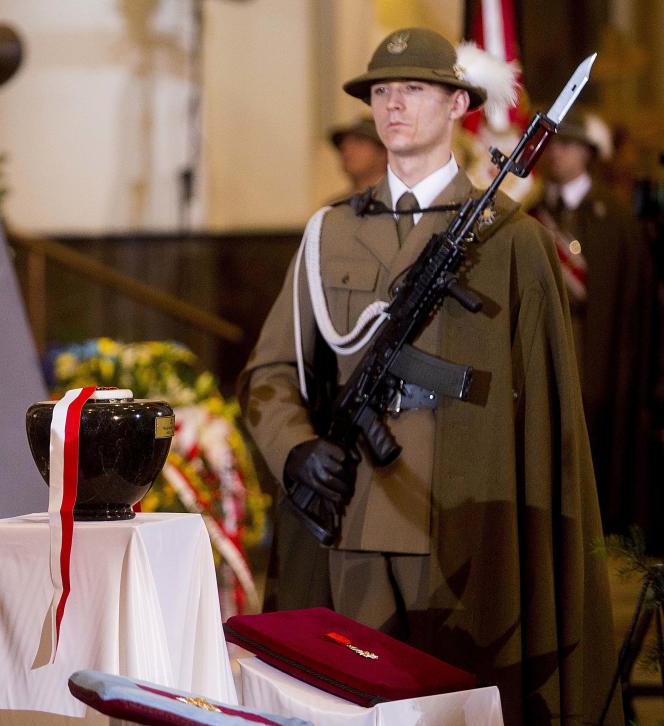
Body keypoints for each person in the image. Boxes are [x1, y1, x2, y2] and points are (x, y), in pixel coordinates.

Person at [239, 27, 622, 725]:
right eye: (381, 92)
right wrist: (295, 448)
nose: (392, 106)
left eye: (413, 90)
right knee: (346, 712)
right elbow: (270, 371)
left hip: (465, 543)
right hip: (348, 529)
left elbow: (547, 417)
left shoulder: (512, 242)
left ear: (456, 105)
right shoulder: (330, 233)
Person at [530, 109, 658, 543]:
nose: (557, 153)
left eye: (568, 144)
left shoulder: (618, 222)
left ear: (588, 152)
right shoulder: (530, 220)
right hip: (543, 367)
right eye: (552, 144)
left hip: (601, 371)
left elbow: (639, 309)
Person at [326, 117, 387, 193]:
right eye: (343, 144)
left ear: (384, 153)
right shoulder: (337, 204)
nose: (347, 150)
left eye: (359, 142)